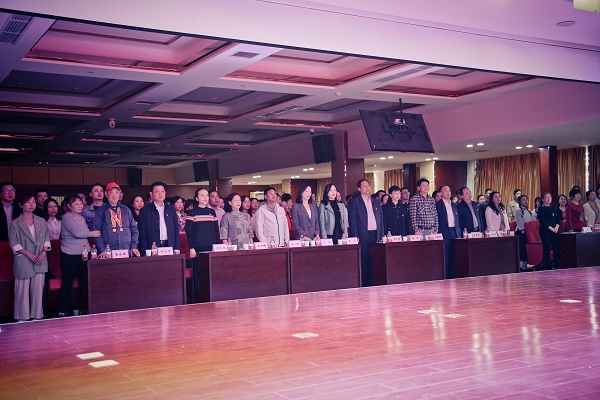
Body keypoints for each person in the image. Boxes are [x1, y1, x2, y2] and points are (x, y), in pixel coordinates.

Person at [9, 194, 50, 321]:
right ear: (20, 205)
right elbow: (14, 243)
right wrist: (30, 255)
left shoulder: (41, 221)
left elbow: (46, 239)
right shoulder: (15, 223)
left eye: (33, 202)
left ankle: (37, 315)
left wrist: (43, 253)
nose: (31, 205)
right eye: (28, 202)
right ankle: (22, 317)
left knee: (38, 290)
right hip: (23, 258)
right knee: (22, 289)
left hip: (40, 258)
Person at [59, 195, 101, 317]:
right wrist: (92, 233)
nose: (80, 206)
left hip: (84, 253)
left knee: (84, 282)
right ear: (69, 206)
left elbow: (83, 233)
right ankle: (62, 309)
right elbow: (77, 233)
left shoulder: (81, 217)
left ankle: (83, 308)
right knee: (67, 282)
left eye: (81, 203)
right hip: (69, 254)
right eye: (76, 203)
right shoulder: (66, 217)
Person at [348, 179, 384, 287]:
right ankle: (365, 285)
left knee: (375, 260)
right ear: (359, 189)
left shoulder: (375, 201)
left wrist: (381, 235)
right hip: (363, 236)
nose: (367, 188)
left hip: (375, 235)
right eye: (364, 186)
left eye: (368, 185)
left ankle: (374, 283)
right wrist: (355, 237)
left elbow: (380, 220)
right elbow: (352, 221)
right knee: (364, 261)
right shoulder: (355, 202)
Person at [93, 182, 140, 257]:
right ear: (106, 194)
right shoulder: (101, 211)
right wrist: (102, 250)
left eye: (116, 192)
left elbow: (134, 230)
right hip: (108, 252)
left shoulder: (126, 210)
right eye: (111, 192)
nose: (114, 195)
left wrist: (134, 246)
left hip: (126, 250)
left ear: (119, 194)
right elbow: (97, 232)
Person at [137, 182, 181, 254]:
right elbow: (142, 232)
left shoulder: (171, 209)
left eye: (162, 191)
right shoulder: (145, 210)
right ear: (151, 194)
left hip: (169, 245)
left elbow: (176, 229)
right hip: (152, 247)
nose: (160, 194)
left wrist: (177, 248)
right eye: (157, 191)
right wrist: (145, 250)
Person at [185, 188, 220, 256]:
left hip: (211, 245)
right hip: (197, 246)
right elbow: (189, 232)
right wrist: (191, 247)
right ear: (197, 198)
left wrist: (216, 245)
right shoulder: (192, 213)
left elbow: (216, 230)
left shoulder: (212, 212)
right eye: (202, 195)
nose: (205, 197)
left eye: (207, 195)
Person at [436, 185, 461, 279]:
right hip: (444, 232)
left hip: (455, 232)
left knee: (455, 254)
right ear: (441, 193)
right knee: (445, 255)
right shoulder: (438, 205)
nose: (448, 192)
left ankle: (454, 275)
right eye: (445, 190)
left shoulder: (454, 205)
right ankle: (446, 276)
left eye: (449, 190)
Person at [537, 192, 561, 269]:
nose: (548, 199)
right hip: (545, 231)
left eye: (550, 197)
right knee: (546, 248)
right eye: (546, 197)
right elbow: (542, 220)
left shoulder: (554, 208)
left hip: (554, 231)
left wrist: (557, 226)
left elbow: (558, 218)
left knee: (556, 247)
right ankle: (547, 265)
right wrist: (551, 228)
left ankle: (557, 264)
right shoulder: (541, 209)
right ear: (543, 199)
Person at [514, 194, 535, 271]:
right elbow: (519, 222)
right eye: (523, 200)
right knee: (522, 249)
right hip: (521, 232)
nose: (525, 201)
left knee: (526, 249)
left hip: (528, 232)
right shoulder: (518, 210)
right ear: (519, 201)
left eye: (526, 199)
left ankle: (525, 266)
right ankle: (521, 266)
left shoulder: (528, 210)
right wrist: (523, 231)